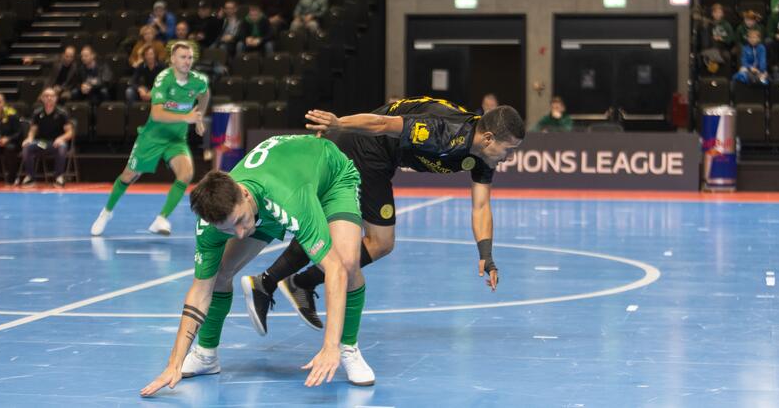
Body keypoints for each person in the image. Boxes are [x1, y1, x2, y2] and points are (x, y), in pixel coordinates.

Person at [242, 97, 524, 334]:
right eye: (509, 150)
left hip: (385, 161)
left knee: (369, 239)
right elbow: (383, 124)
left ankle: (289, 282)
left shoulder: (484, 156)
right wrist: (339, 123)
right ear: (489, 138)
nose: (509, 157)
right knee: (377, 240)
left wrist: (486, 255)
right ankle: (273, 282)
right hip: (365, 147)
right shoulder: (446, 131)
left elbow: (481, 206)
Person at [139, 135, 374, 397]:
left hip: (330, 178)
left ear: (244, 193)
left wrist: (330, 346)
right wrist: (174, 364)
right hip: (267, 202)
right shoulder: (213, 223)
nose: (239, 234)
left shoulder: (288, 198)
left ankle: (348, 347)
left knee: (347, 262)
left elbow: (335, 270)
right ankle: (206, 354)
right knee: (219, 275)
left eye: (239, 221)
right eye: (227, 228)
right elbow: (199, 290)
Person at [91, 43, 209, 237]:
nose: (187, 61)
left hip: (176, 139)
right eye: (182, 57)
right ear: (172, 59)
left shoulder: (198, 80)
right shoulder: (164, 80)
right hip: (152, 137)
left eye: (189, 57)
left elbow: (204, 93)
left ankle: (161, 218)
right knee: (128, 176)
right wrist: (185, 117)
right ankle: (106, 213)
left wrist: (199, 117)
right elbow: (157, 114)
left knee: (186, 174)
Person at [20, 89, 73, 188]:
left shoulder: (62, 113)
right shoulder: (37, 113)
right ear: (42, 98)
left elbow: (70, 132)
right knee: (28, 146)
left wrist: (61, 138)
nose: (49, 98)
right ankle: (30, 177)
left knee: (62, 147)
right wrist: (29, 138)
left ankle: (59, 177)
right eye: (46, 96)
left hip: (55, 143)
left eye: (52, 96)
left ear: (56, 98)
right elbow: (33, 130)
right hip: (42, 143)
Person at [700, 3, 735, 74]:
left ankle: (714, 60)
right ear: (712, 14)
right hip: (711, 46)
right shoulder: (708, 24)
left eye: (719, 12)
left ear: (722, 14)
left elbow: (731, 38)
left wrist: (721, 38)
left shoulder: (726, 25)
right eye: (715, 12)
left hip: (723, 47)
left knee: (721, 54)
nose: (717, 14)